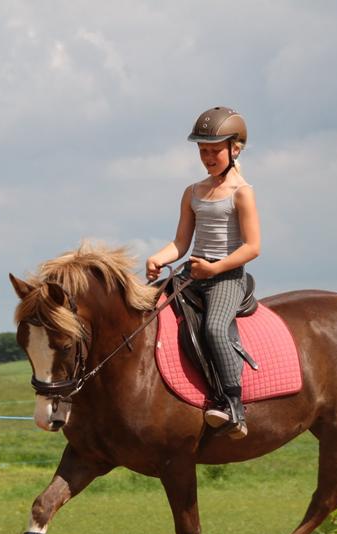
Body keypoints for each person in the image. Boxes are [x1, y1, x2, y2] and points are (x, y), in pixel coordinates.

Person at [146, 106, 262, 439]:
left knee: (213, 328)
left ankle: (233, 407)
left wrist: (215, 268)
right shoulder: (193, 192)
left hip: (227, 277)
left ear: (235, 148)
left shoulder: (243, 194)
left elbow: (252, 247)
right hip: (193, 272)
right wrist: (158, 257)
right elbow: (181, 243)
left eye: (214, 150)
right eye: (202, 150)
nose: (207, 157)